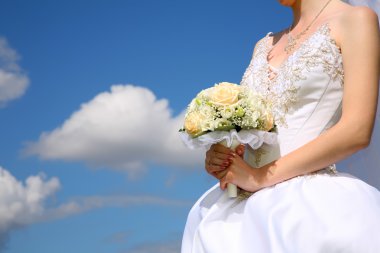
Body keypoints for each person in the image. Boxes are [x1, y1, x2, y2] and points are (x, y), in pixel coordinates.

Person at [181, 0, 380, 252]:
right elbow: (262, 128)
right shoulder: (263, 45)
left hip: (310, 204)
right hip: (240, 208)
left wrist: (259, 177)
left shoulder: (355, 19)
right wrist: (227, 155)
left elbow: (357, 131)